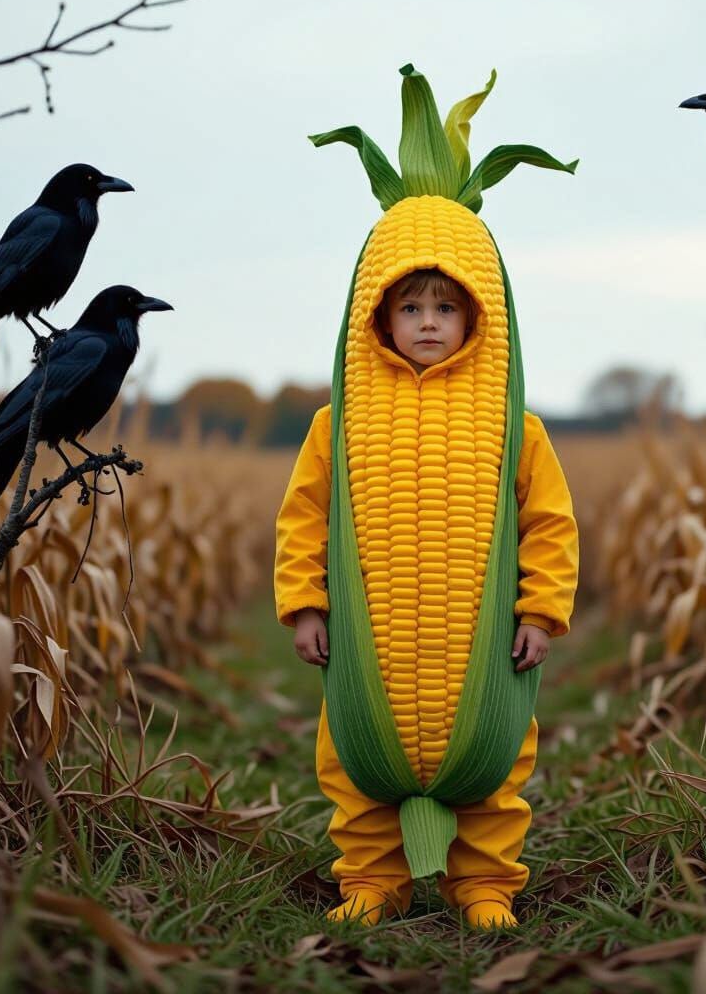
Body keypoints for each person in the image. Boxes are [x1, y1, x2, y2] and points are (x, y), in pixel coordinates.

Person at [275, 263, 578, 929]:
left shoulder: (514, 425)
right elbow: (303, 516)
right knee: (354, 767)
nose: (430, 322)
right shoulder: (338, 422)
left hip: (480, 645)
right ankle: (374, 883)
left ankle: (486, 886)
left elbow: (550, 524)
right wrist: (305, 605)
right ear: (379, 320)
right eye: (411, 309)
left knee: (496, 769)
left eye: (446, 307)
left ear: (477, 318)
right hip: (368, 646)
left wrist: (540, 612)